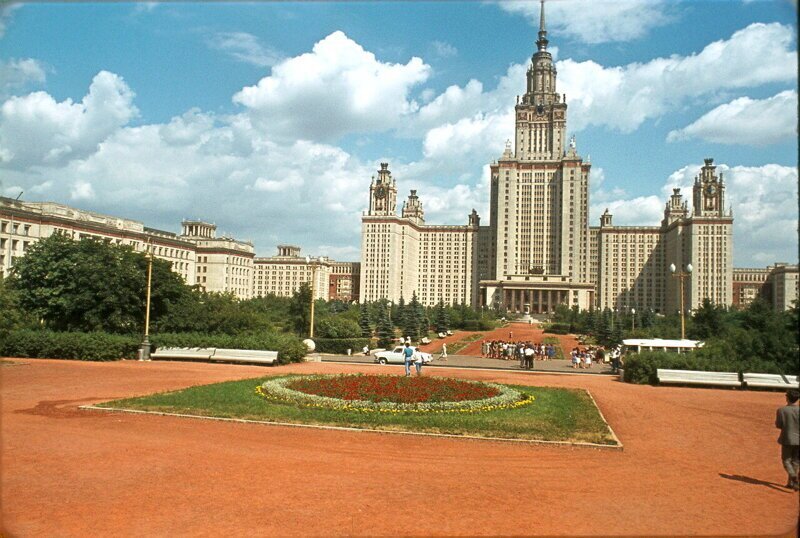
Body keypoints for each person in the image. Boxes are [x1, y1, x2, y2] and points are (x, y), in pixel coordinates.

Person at [775, 389, 800, 490]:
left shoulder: (781, 410)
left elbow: (779, 425)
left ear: (787, 398)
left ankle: (793, 476)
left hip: (787, 439)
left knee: (786, 460)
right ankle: (791, 483)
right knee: (796, 461)